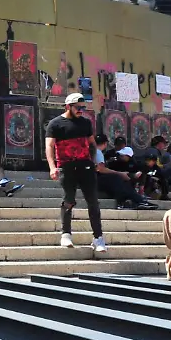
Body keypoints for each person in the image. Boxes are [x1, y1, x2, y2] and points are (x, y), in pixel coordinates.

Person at [45, 93, 107, 252]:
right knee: (69, 200)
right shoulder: (55, 124)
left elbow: (92, 143)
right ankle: (65, 234)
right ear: (68, 106)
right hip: (66, 167)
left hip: (85, 166)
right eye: (78, 108)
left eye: (83, 108)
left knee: (93, 201)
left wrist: (93, 161)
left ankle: (98, 238)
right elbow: (50, 147)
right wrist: (53, 167)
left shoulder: (86, 123)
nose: (81, 110)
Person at [95, 135, 157, 211]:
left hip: (96, 179)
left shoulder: (95, 152)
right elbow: (101, 169)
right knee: (118, 179)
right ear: (105, 143)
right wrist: (119, 173)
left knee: (122, 182)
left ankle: (137, 201)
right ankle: (138, 201)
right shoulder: (98, 153)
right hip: (97, 179)